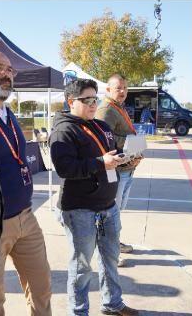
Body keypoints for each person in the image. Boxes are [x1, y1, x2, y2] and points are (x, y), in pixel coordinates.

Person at [0, 51, 52, 316]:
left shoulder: (8, 114)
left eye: (10, 70)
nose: (7, 74)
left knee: (41, 287)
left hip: (26, 216)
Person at [50, 78, 138, 316]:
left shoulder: (101, 126)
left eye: (94, 99)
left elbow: (110, 154)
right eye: (86, 100)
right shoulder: (64, 130)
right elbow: (65, 168)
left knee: (110, 259)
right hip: (80, 210)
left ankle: (113, 303)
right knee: (81, 267)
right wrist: (101, 163)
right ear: (71, 102)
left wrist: (126, 157)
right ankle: (79, 311)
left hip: (108, 206)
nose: (92, 104)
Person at [99, 74, 144, 260]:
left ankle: (113, 243)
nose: (123, 91)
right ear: (108, 90)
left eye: (125, 88)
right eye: (118, 88)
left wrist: (137, 149)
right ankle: (109, 251)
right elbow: (104, 138)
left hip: (126, 168)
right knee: (111, 212)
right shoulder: (106, 109)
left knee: (117, 211)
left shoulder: (117, 107)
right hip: (115, 171)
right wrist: (134, 143)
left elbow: (119, 135)